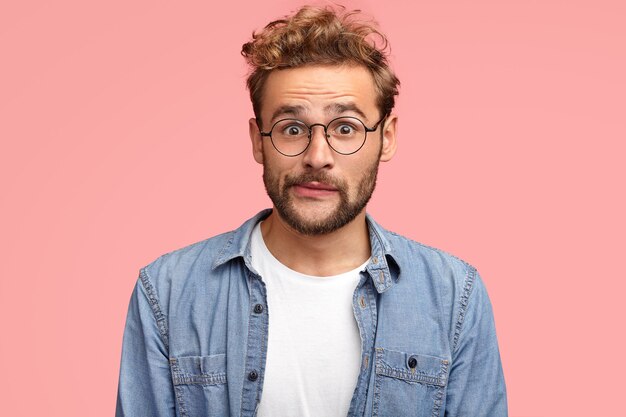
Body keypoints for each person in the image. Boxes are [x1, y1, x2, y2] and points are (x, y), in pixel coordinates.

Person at [115, 5, 507, 417]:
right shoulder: (168, 291)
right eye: (292, 129)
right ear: (257, 140)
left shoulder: (452, 296)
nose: (317, 157)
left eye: (345, 128)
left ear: (386, 138)